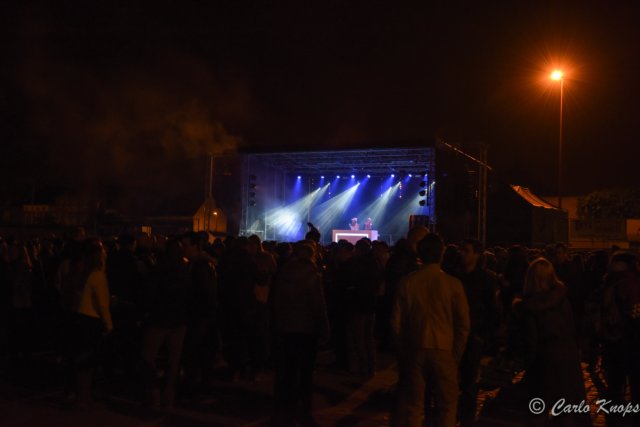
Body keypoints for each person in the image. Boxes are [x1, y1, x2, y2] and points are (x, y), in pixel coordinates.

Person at [392, 233, 470, 427]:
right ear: (441, 253)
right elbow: (463, 324)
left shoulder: (407, 282)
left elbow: (396, 323)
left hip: (415, 347)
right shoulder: (453, 284)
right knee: (447, 405)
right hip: (444, 349)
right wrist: (455, 354)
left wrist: (403, 351)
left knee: (414, 405)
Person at [522, 258, 588, 427]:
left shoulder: (529, 306)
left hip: (544, 357)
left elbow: (531, 340)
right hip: (567, 353)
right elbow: (571, 324)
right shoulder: (562, 298)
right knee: (565, 407)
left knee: (538, 408)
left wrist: (526, 362)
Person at [274, 241, 330, 426]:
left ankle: (287, 400)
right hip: (307, 327)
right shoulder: (313, 275)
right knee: (306, 368)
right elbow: (318, 304)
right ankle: (305, 403)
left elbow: (276, 300)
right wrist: (323, 327)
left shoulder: (283, 272)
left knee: (289, 365)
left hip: (286, 325)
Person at [140, 239, 190, 408]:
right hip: (179, 321)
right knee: (173, 361)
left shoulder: (158, 270)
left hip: (158, 320)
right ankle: (169, 395)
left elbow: (149, 295)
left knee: (148, 357)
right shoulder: (185, 271)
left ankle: (153, 392)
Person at [457, 239, 499, 427]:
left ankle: (466, 416)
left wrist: (484, 336)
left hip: (474, 335)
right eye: (461, 250)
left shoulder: (486, 280)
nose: (462, 253)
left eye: (466, 250)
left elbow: (493, 310)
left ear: (476, 255)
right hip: (455, 334)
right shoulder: (454, 275)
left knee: (470, 380)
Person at [598, 252, 640, 426]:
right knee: (635, 379)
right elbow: (635, 312)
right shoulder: (631, 281)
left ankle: (615, 415)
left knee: (615, 381)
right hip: (631, 337)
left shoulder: (609, 281)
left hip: (613, 338)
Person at [71, 240, 113, 407]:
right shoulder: (97, 275)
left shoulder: (84, 273)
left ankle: (82, 396)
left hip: (80, 318)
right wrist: (109, 325)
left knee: (82, 361)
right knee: (88, 363)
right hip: (91, 320)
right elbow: (102, 304)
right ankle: (84, 398)